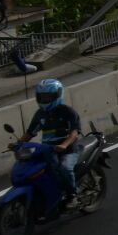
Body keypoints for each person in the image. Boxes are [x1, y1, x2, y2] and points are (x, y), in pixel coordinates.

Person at [21, 78, 81, 207]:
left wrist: (64, 145)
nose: (44, 100)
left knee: (64, 168)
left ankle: (73, 195)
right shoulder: (40, 114)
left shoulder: (67, 112)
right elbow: (30, 132)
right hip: (48, 150)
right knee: (35, 170)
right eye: (42, 97)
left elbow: (74, 132)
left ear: (57, 95)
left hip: (69, 150)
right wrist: (18, 144)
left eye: (48, 97)